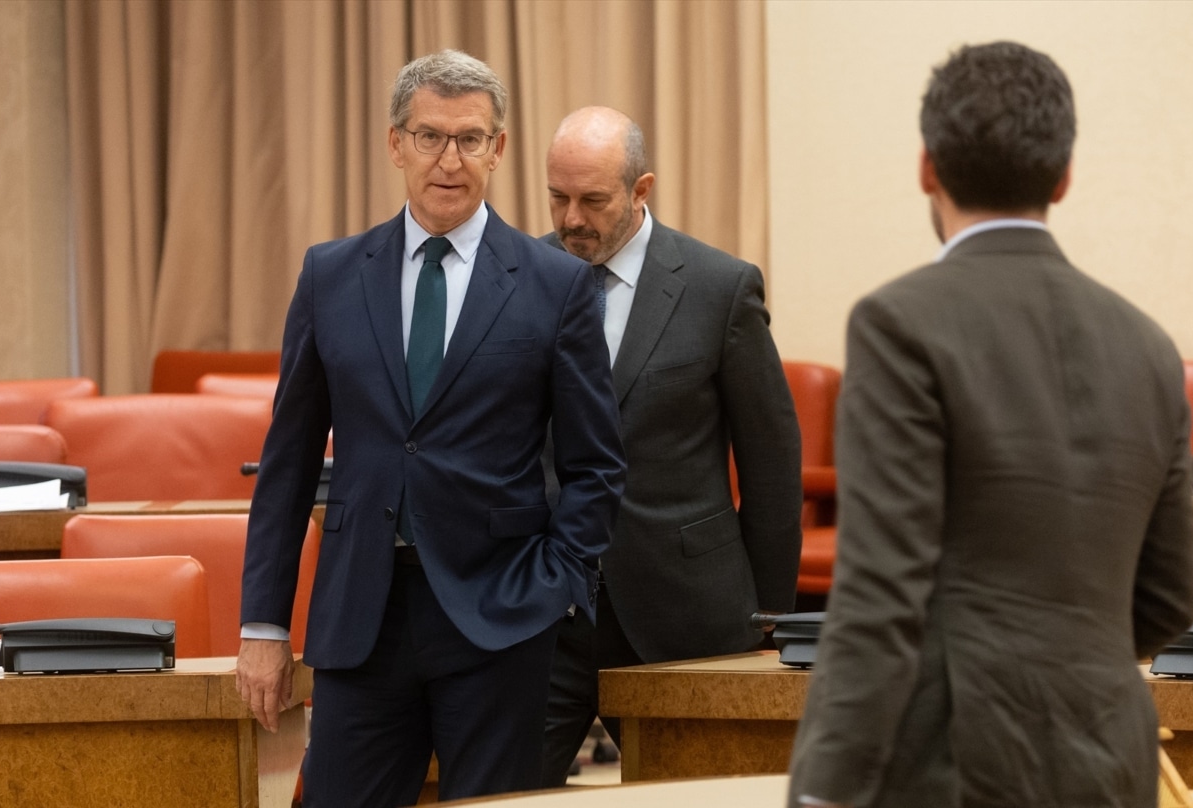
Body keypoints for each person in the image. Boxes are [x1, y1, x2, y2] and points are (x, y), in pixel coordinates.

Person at [786, 41, 1193, 808]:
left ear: (927, 168)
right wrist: (1072, 666)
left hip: (956, 763)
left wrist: (824, 790)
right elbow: (1173, 592)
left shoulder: (899, 323)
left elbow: (881, 591)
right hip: (1111, 752)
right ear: (1064, 177)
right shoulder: (1147, 346)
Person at [235, 51, 625, 807]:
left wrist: (556, 583)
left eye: (471, 139)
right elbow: (287, 465)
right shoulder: (331, 275)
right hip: (360, 618)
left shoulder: (556, 286)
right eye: (430, 137)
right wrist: (263, 622)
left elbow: (597, 467)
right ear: (395, 144)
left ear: (499, 148)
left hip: (501, 617)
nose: (450, 160)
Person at [537, 106, 803, 786]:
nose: (572, 220)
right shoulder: (521, 276)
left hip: (683, 613)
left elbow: (772, 464)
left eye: (593, 200)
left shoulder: (720, 288)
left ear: (641, 189)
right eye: (558, 197)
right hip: (544, 611)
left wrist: (767, 617)